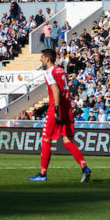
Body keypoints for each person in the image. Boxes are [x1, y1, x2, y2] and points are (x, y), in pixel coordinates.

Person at [29, 49, 91, 183]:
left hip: (56, 110)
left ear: (47, 59)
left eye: (41, 57)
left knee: (46, 140)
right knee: (68, 141)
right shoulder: (62, 71)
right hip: (67, 108)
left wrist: (55, 109)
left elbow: (56, 91)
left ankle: (42, 174)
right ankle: (84, 167)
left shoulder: (49, 72)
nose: (40, 59)